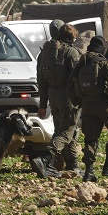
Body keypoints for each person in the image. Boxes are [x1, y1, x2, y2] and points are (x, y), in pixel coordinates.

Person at [69, 36, 108, 182]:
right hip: (104, 104)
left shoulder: (81, 62)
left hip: (87, 105)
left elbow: (72, 82)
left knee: (90, 139)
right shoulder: (104, 63)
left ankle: (89, 172)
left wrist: (79, 100)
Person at [32, 21, 79, 178]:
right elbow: (76, 78)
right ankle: (46, 158)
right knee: (68, 130)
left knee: (62, 129)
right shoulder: (71, 52)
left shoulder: (45, 52)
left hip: (53, 95)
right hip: (68, 96)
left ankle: (72, 164)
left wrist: (43, 104)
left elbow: (41, 80)